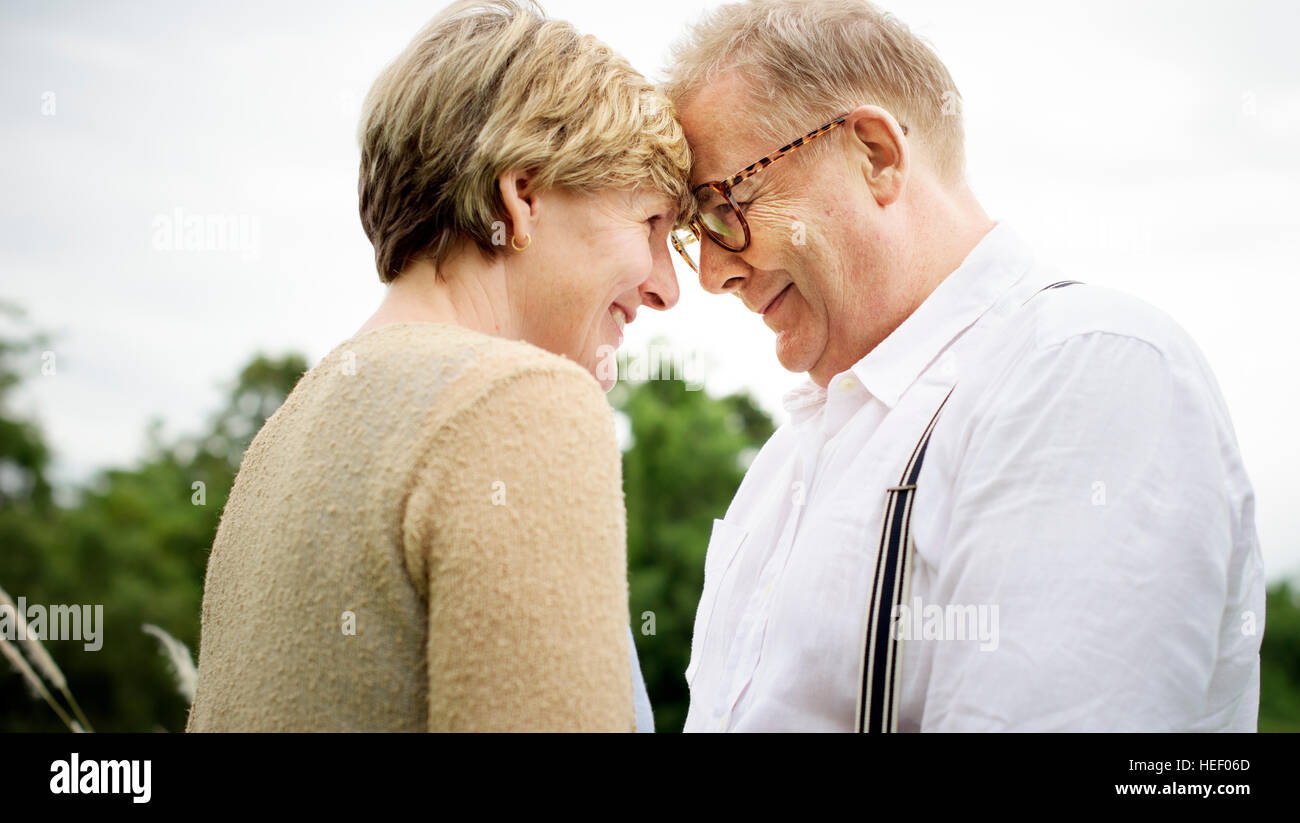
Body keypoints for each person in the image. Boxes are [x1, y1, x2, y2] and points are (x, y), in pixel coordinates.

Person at [665, 0, 1265, 731]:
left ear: (875, 155)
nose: (713, 275)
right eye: (696, 232)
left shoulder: (1086, 368)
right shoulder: (781, 465)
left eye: (726, 205)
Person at [186, 0, 689, 732]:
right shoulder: (519, 404)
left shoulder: (281, 438)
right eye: (650, 224)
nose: (667, 287)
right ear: (522, 198)